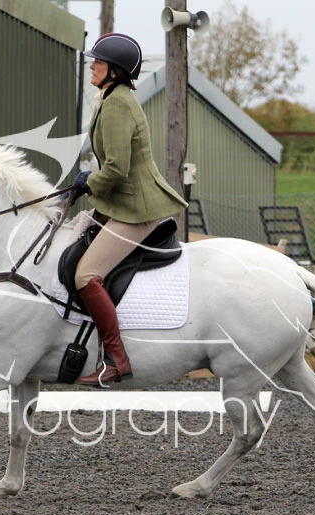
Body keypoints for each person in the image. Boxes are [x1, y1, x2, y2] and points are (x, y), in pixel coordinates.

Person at [71, 33, 188, 388]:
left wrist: (89, 181)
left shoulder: (118, 105)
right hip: (121, 202)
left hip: (136, 208)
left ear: (115, 71)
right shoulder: (111, 98)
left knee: (85, 276)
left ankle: (116, 361)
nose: (92, 66)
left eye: (99, 62)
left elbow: (117, 168)